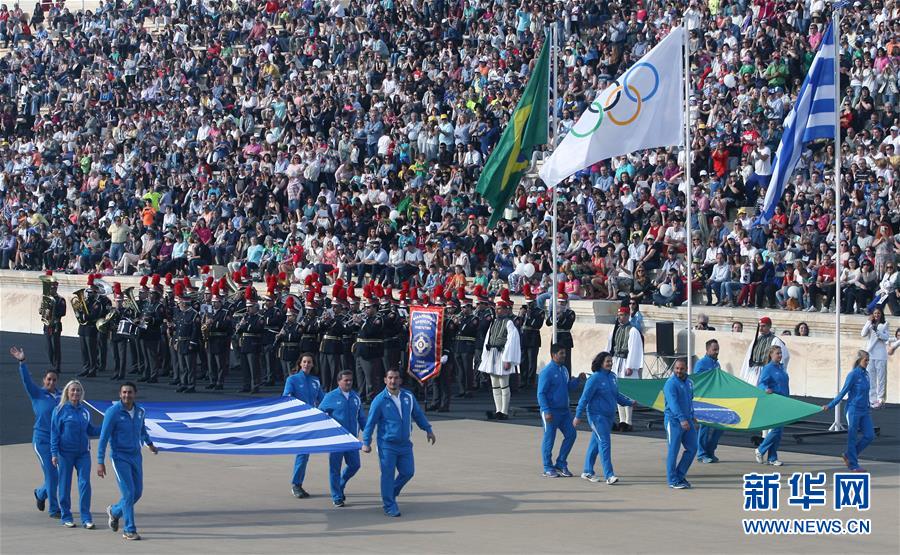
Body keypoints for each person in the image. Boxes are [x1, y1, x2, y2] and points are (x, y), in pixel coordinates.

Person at [361, 368, 436, 517]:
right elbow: (370, 423)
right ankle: (389, 504)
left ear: (400, 380)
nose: (393, 381)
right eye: (390, 378)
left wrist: (428, 429)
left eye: (396, 378)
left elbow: (418, 414)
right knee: (387, 474)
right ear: (385, 380)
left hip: (405, 444)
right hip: (387, 445)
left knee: (408, 472)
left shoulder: (408, 396)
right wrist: (366, 442)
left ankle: (389, 494)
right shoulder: (380, 400)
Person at [97, 382, 159, 541]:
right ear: (120, 394)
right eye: (124, 392)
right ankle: (129, 529)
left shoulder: (140, 411)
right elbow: (103, 437)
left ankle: (115, 512)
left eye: (130, 392)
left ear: (135, 394)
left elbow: (142, 430)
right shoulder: (112, 412)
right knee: (129, 492)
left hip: (136, 456)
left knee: (137, 493)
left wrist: (150, 444)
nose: (127, 395)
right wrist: (100, 461)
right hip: (119, 457)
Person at [10, 346, 61, 518]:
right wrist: (22, 362)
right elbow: (26, 381)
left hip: (58, 441)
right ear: (44, 380)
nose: (51, 383)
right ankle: (54, 509)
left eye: (54, 380)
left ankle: (40, 493)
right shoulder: (37, 394)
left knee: (58, 475)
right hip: (42, 440)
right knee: (52, 474)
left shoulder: (63, 396)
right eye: (49, 380)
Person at [574, 351, 635, 484]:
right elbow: (584, 399)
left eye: (611, 361)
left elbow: (616, 395)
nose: (610, 363)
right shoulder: (594, 379)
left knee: (595, 443)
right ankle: (609, 475)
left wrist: (630, 402)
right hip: (597, 417)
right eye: (607, 361)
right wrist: (578, 416)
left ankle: (587, 471)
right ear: (601, 363)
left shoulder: (613, 377)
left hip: (609, 417)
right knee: (605, 443)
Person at [51, 380, 101, 528]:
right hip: (65, 454)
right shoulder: (59, 410)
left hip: (83, 454)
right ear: (67, 392)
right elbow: (54, 433)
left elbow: (90, 430)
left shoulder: (85, 411)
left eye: (78, 391)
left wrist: (106, 426)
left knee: (85, 483)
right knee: (65, 485)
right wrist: (54, 453)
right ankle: (66, 515)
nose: (75, 393)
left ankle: (86, 517)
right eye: (73, 390)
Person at [318, 370, 367, 507]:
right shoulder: (330, 396)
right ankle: (337, 496)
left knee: (355, 465)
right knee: (335, 468)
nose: (349, 383)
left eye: (350, 380)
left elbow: (361, 418)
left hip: (351, 439)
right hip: (336, 440)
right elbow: (320, 415)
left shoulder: (355, 397)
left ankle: (341, 483)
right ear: (339, 381)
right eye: (346, 380)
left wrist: (367, 433)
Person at [822, 350, 875, 472]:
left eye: (868, 360)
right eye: (865, 360)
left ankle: (849, 455)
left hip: (865, 411)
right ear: (859, 360)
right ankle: (853, 465)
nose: (867, 362)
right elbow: (843, 392)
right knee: (852, 437)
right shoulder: (853, 375)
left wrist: (868, 406)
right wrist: (830, 405)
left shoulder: (866, 374)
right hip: (853, 410)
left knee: (869, 435)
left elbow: (866, 393)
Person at [537, 343, 585, 478]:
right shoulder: (546, 372)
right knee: (549, 439)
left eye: (565, 353)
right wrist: (546, 410)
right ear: (553, 355)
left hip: (564, 412)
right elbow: (541, 393)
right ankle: (547, 467)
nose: (564, 356)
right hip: (551, 412)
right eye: (561, 353)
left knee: (571, 435)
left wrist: (577, 380)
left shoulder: (564, 370)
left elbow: (567, 387)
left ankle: (560, 462)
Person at [283, 353, 325, 499]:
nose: (307, 364)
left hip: (311, 421)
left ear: (313, 365)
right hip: (299, 421)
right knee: (303, 453)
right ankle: (296, 484)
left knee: (305, 454)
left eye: (309, 362)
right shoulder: (292, 379)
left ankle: (298, 483)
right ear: (300, 364)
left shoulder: (315, 381)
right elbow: (286, 397)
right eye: (304, 362)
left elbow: (323, 399)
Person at [478, 289, 521, 420]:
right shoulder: (493, 322)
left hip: (502, 355)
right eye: (496, 308)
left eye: (499, 309)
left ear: (505, 310)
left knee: (504, 384)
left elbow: (512, 341)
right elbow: (487, 338)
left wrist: (508, 359)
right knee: (495, 384)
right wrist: (485, 357)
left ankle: (504, 411)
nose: (497, 311)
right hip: (492, 354)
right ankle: (498, 410)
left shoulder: (509, 323)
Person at [606, 306, 644, 431]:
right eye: (619, 315)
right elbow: (610, 347)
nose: (620, 317)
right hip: (617, 362)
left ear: (628, 316)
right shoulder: (615, 330)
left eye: (622, 315)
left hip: (626, 362)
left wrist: (630, 366)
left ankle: (629, 421)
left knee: (627, 393)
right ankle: (622, 420)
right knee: (617, 392)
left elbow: (635, 349)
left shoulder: (633, 331)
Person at [664, 358, 697, 489]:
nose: (679, 371)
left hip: (687, 421)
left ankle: (680, 475)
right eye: (677, 368)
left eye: (682, 368)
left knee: (693, 448)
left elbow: (690, 401)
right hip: (674, 421)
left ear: (686, 369)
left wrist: (692, 416)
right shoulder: (670, 384)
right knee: (673, 450)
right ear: (674, 369)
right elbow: (673, 404)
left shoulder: (689, 382)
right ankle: (672, 480)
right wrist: (682, 419)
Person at [754, 346, 789, 466]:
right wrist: (765, 389)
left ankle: (772, 457)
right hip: (774, 401)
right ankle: (760, 449)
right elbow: (761, 383)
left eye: (780, 353)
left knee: (779, 432)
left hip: (783, 402)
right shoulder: (768, 368)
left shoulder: (781, 367)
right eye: (777, 353)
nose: (780, 355)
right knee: (777, 429)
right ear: (771, 355)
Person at [694, 340, 724, 463]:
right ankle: (701, 453)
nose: (717, 352)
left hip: (716, 399)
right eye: (714, 350)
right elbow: (697, 381)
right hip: (704, 399)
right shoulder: (701, 364)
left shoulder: (717, 364)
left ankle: (710, 450)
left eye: (717, 349)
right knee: (705, 427)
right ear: (707, 350)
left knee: (720, 426)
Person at [739, 316, 790, 385]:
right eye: (759, 326)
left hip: (766, 371)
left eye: (763, 326)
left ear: (769, 326)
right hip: (753, 371)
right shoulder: (756, 339)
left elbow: (784, 356)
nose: (760, 328)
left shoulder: (775, 340)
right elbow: (749, 356)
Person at [860, 308, 889, 408]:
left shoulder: (884, 324)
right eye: (875, 313)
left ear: (881, 314)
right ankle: (872, 399)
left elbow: (886, 338)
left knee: (881, 379)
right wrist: (868, 321)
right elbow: (863, 334)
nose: (876, 315)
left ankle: (881, 399)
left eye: (878, 313)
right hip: (870, 355)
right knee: (871, 378)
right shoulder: (870, 324)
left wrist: (877, 332)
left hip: (881, 355)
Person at [41, 271, 66, 373]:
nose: (51, 289)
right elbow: (42, 311)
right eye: (50, 288)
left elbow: (62, 312)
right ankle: (51, 363)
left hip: (55, 324)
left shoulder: (60, 300)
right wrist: (42, 310)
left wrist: (53, 310)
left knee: (56, 346)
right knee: (49, 347)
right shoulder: (46, 298)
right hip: (47, 324)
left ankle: (57, 366)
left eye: (53, 288)